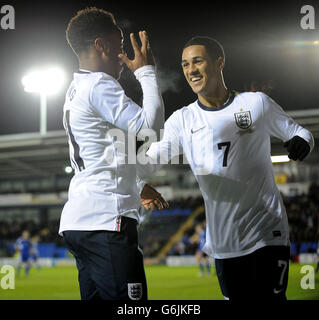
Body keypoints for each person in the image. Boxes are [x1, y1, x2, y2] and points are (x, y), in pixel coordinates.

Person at [146, 36, 315, 300]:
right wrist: (138, 183)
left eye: (198, 61)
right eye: (185, 64)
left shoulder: (255, 103)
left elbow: (299, 132)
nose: (191, 70)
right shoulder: (182, 120)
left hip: (267, 232)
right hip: (225, 244)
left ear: (219, 63)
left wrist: (302, 142)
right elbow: (148, 158)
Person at [59, 7, 168, 300]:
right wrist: (146, 71)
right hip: (107, 221)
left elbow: (107, 152)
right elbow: (150, 129)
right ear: (100, 45)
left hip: (80, 222)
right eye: (119, 46)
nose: (124, 56)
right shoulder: (98, 84)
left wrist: (137, 184)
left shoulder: (75, 89)